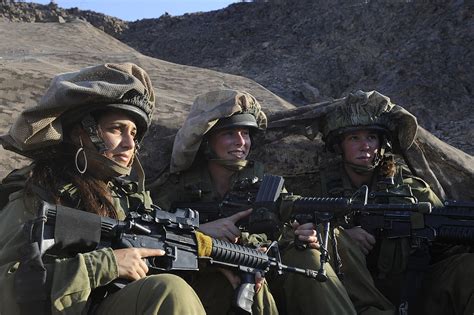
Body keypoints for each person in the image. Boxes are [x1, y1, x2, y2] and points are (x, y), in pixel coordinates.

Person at [0, 63, 205, 315]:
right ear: (80, 134)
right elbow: (5, 286)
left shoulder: (130, 199)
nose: (129, 144)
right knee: (169, 290)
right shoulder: (39, 194)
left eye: (134, 133)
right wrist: (103, 266)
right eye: (116, 129)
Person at [150, 89, 356, 315]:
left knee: (308, 257)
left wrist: (301, 233)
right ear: (208, 140)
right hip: (204, 276)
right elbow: (151, 233)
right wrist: (199, 232)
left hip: (260, 270)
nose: (241, 142)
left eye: (245, 134)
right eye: (230, 134)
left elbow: (288, 215)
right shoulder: (177, 187)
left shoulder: (263, 186)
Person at [316, 90, 473, 314]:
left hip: (414, 286)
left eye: (371, 137)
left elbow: (446, 238)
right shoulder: (320, 190)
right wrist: (339, 236)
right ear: (339, 145)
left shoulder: (410, 189)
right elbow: (295, 231)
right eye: (354, 138)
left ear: (382, 144)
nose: (365, 146)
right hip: (349, 295)